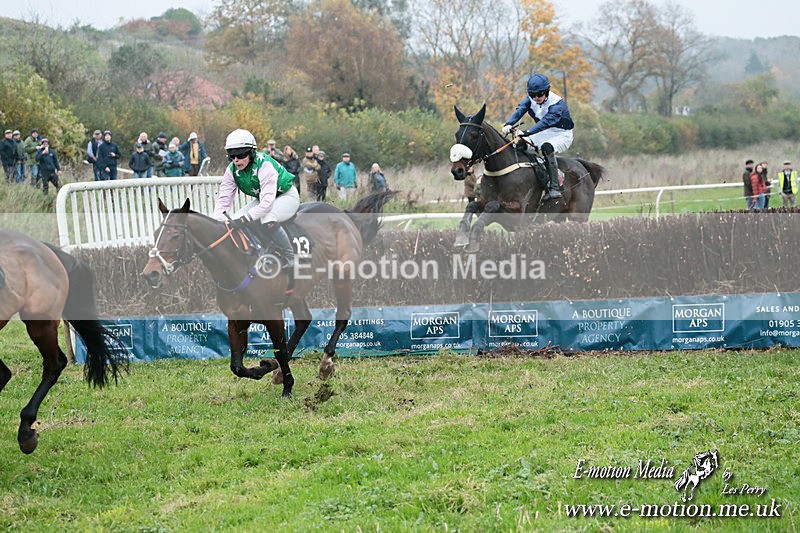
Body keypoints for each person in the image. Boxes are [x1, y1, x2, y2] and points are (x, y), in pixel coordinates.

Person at [213, 129, 299, 272]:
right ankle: (258, 251)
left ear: (251, 153)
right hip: (264, 199)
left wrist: (245, 219)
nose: (236, 160)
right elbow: (224, 200)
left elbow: (266, 205)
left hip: (286, 196)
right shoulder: (231, 170)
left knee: (267, 218)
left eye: (240, 155)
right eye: (231, 156)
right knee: (234, 219)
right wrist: (217, 221)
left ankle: (290, 257)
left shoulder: (264, 165)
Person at [502, 72, 574, 201]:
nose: (536, 98)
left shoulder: (557, 104)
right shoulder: (530, 100)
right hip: (544, 132)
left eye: (539, 94)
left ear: (546, 91)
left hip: (562, 134)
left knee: (547, 147)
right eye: (532, 94)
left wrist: (527, 132)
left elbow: (545, 122)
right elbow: (520, 110)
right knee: (520, 145)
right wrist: (509, 123)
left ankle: (554, 187)